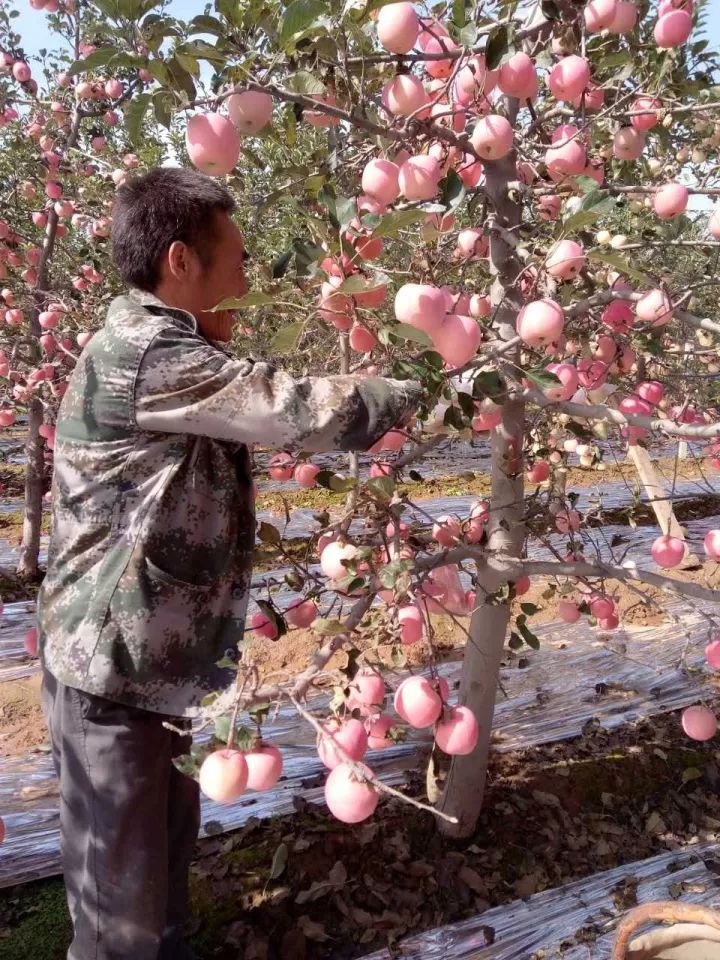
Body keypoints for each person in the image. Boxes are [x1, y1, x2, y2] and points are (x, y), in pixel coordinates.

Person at [37, 166, 421, 960]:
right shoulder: (144, 350)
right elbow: (290, 408)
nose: (246, 283)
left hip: (155, 668)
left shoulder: (167, 346)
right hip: (110, 674)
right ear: (181, 261)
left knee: (160, 896)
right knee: (120, 930)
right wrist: (417, 389)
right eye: (237, 261)